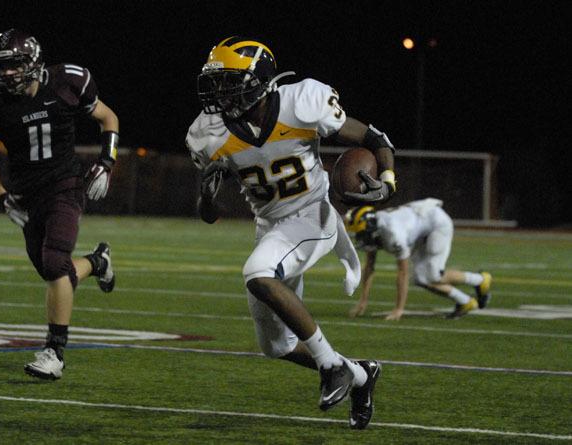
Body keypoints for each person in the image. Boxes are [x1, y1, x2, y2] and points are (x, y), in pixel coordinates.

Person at [186, 37, 397, 429]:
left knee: (257, 273)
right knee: (276, 345)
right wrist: (206, 195)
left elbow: (375, 139)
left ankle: (332, 365)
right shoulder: (208, 134)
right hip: (270, 228)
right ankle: (361, 374)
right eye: (216, 83)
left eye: (230, 81)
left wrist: (386, 180)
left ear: (262, 80)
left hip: (313, 215)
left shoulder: (302, 102)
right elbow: (209, 216)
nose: (220, 93)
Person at [0, 29, 119, 380]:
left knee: (53, 263)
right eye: (1, 67)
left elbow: (109, 119)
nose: (7, 74)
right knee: (54, 270)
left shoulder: (68, 82)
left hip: (65, 184)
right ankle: (97, 262)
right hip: (26, 193)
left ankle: (54, 351)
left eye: (15, 65)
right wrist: (2, 196)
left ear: (33, 63)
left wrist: (106, 163)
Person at [345, 198, 493, 320]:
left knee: (433, 275)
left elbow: (403, 272)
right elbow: (369, 267)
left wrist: (398, 309)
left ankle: (480, 280)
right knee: (421, 278)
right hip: (418, 229)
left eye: (361, 233)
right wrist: (363, 300)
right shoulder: (376, 230)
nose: (359, 238)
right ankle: (465, 301)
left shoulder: (393, 235)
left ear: (370, 227)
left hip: (436, 223)